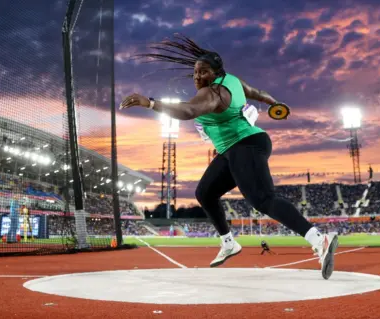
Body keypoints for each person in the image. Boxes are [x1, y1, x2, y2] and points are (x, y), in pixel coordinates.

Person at [120, 34, 338, 279]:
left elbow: (189, 110)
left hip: (246, 144)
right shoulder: (233, 81)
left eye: (203, 72)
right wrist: (272, 101)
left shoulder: (213, 94)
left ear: (215, 74)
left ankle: (319, 239)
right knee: (205, 192)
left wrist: (151, 103)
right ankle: (228, 243)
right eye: (195, 72)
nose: (197, 77)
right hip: (233, 149)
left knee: (263, 200)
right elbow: (254, 91)